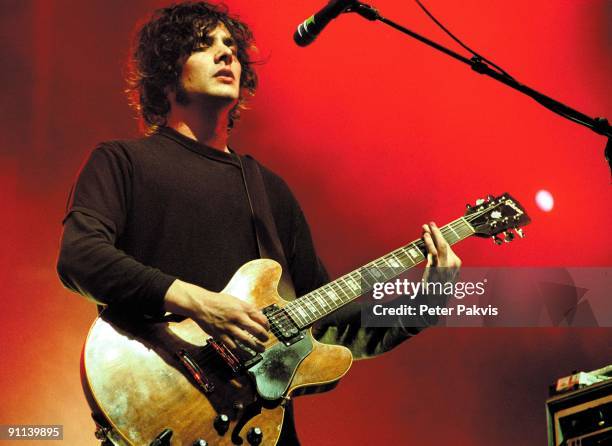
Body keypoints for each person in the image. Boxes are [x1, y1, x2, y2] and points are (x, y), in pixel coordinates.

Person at [56, 2, 461, 445]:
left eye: (230, 45)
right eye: (203, 45)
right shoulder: (122, 162)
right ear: (167, 71)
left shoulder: (268, 190)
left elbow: (325, 321)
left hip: (255, 425)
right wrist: (202, 304)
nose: (225, 54)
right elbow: (81, 257)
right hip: (159, 406)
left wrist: (424, 304)